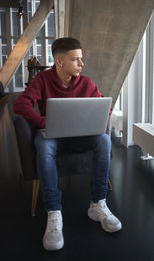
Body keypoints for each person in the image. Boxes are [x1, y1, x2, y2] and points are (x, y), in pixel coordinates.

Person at [13, 37, 122, 251]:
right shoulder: (42, 80)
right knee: (43, 147)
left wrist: (95, 117)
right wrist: (45, 122)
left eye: (81, 59)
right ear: (60, 62)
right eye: (76, 59)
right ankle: (54, 212)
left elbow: (105, 110)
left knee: (103, 140)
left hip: (80, 137)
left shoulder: (87, 83)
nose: (81, 64)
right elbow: (20, 105)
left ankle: (98, 204)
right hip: (53, 137)